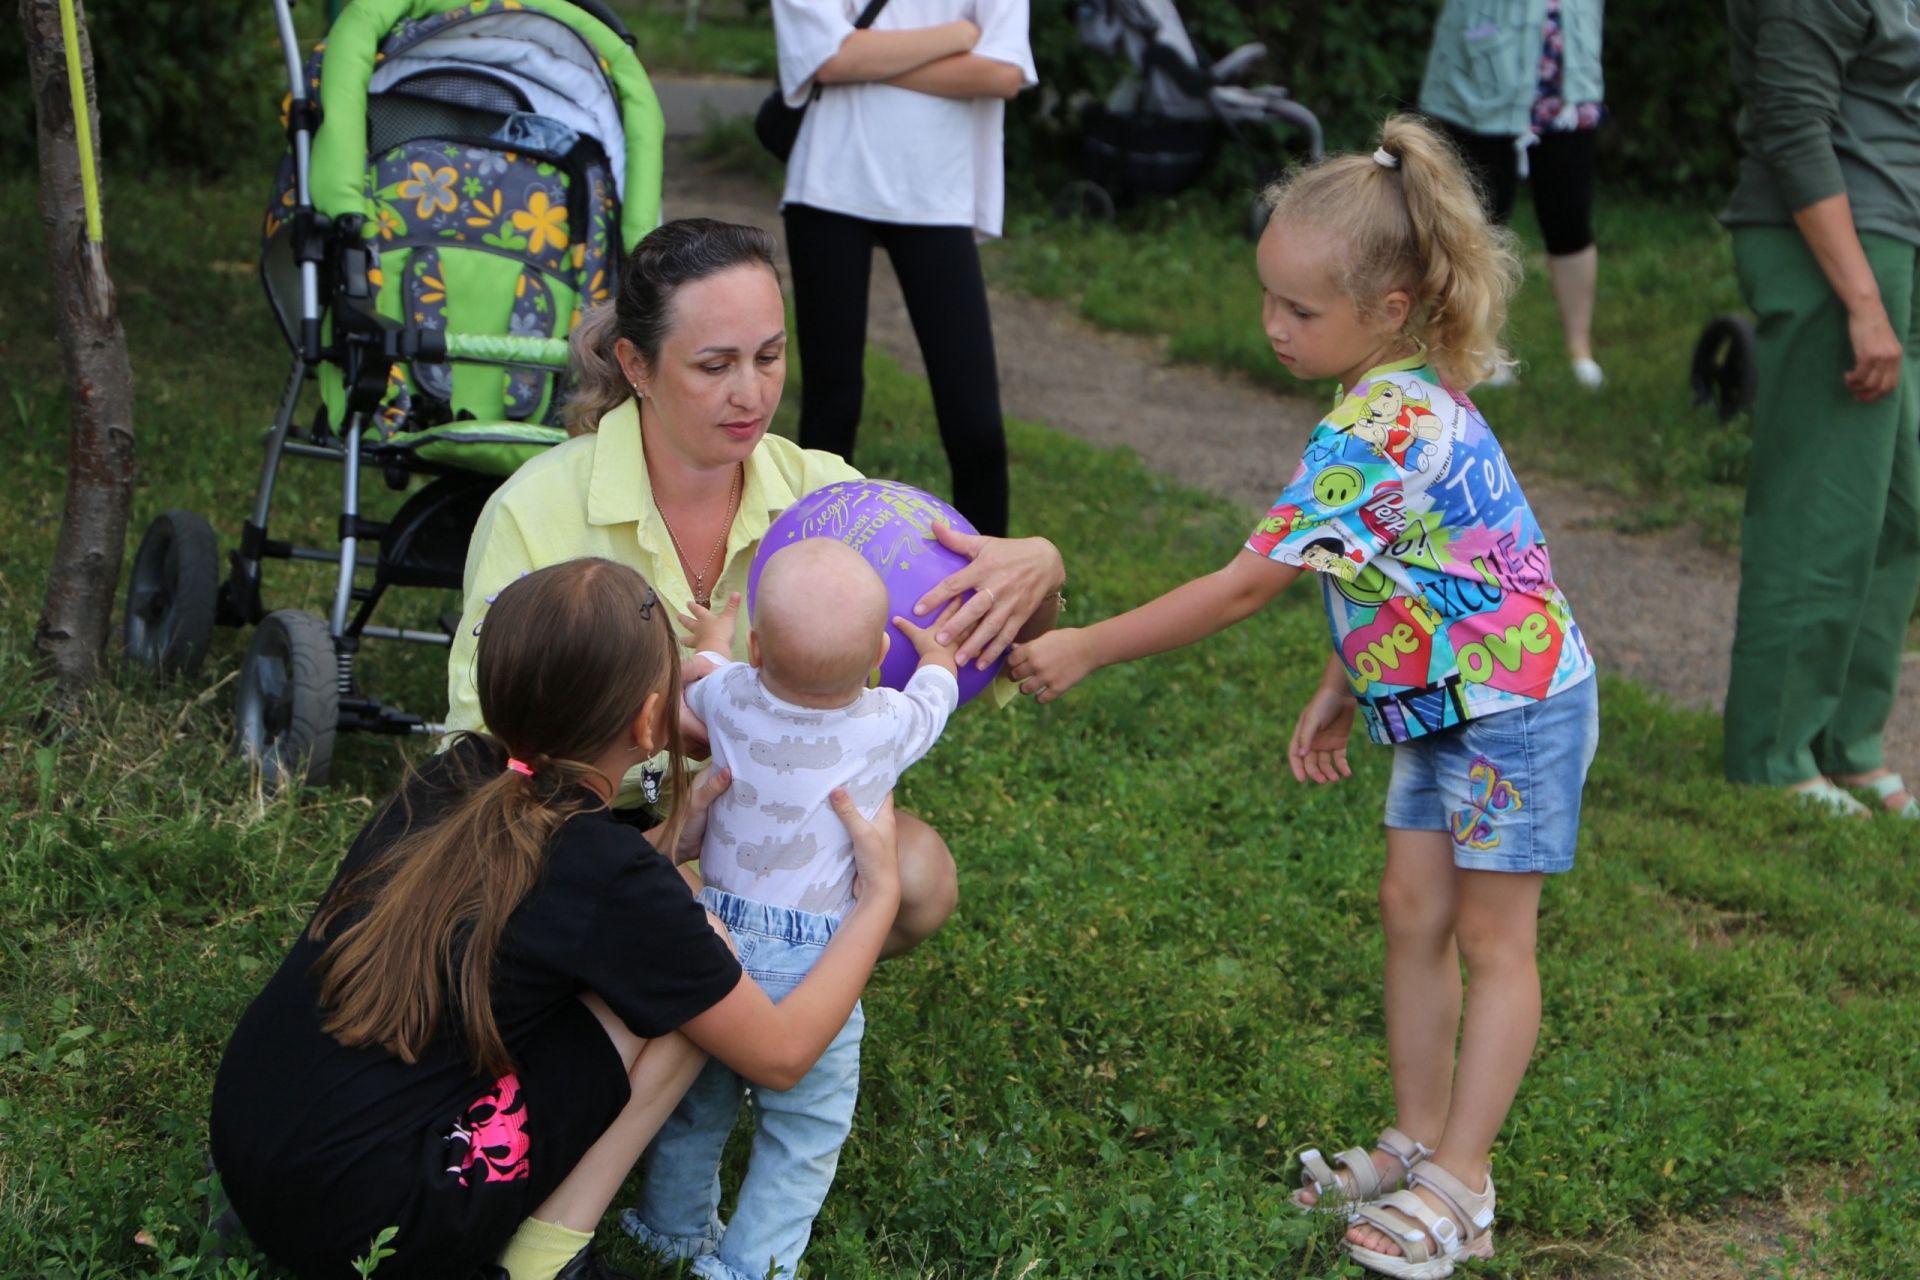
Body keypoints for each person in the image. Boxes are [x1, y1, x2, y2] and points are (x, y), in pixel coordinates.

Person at [1006, 117, 1599, 1277]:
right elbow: (1414, 559)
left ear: (1391, 307)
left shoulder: (1383, 421)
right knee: (1409, 908)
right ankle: (1420, 1137)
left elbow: (1242, 589)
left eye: (1301, 312)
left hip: (1516, 706)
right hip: (1438, 698)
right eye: (1268, 300)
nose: (1274, 328)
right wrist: (1344, 676)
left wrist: (1086, 647)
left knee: (1492, 937)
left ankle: (1464, 1182)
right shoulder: (1383, 394)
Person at [210, 558, 904, 1280]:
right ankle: (545, 1259)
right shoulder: (607, 875)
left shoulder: (452, 776)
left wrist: (673, 841)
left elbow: (563, 896)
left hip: (254, 1153)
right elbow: (784, 1056)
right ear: (647, 719)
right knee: (706, 947)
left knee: (661, 946)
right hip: (386, 1228)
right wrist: (877, 899)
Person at [445, 217, 1067, 959]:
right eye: (715, 366)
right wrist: (639, 724)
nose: (751, 394)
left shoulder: (828, 498)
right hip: (577, 826)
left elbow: (980, 630)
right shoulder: (534, 507)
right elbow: (477, 741)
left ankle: (747, 990)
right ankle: (740, 1017)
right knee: (679, 922)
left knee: (919, 874)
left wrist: (1041, 574)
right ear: (635, 365)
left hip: (764, 823)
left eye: (770, 357)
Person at [623, 539, 961, 1280]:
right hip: (817, 954)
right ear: (876, 653)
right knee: (804, 1129)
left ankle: (670, 1227)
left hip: (712, 934)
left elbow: (704, 678)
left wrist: (710, 644)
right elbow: (938, 697)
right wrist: (935, 654)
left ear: (756, 646)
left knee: (697, 1096)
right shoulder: (886, 725)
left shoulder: (732, 697)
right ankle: (750, 1265)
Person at [1720, 0, 1920, 821]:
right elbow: (1793, 126)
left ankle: (1846, 743)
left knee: (1899, 510)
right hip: (1833, 253)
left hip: (1892, 237)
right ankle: (1773, 750)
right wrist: (1863, 301)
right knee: (1821, 509)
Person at [771, 0, 1037, 537]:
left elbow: (1003, 73)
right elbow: (828, 62)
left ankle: (998, 598)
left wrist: (865, 57)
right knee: (830, 410)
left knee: (976, 424)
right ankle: (800, 581)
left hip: (938, 194)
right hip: (829, 183)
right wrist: (960, 33)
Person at [1420, 0, 1606, 388]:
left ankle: (1581, 354)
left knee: (1570, 221)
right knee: (1474, 222)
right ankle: (1468, 349)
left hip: (1567, 89)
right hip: (1480, 82)